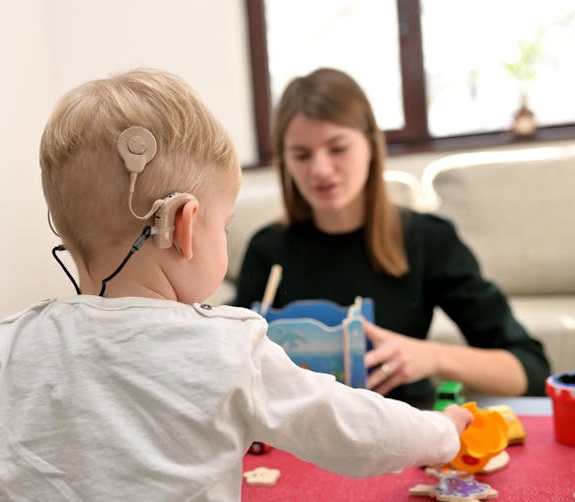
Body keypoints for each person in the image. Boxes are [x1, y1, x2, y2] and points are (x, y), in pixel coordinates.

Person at [0, 68, 472, 501]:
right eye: (225, 223)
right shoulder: (230, 345)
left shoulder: (13, 343)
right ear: (186, 224)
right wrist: (440, 434)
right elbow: (354, 430)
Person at [234, 67, 551, 406]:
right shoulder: (268, 250)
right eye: (301, 155)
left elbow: (530, 369)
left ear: (372, 146)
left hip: (406, 425)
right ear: (285, 161)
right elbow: (230, 362)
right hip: (296, 435)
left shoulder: (428, 239)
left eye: (338, 148)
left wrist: (431, 357)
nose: (321, 170)